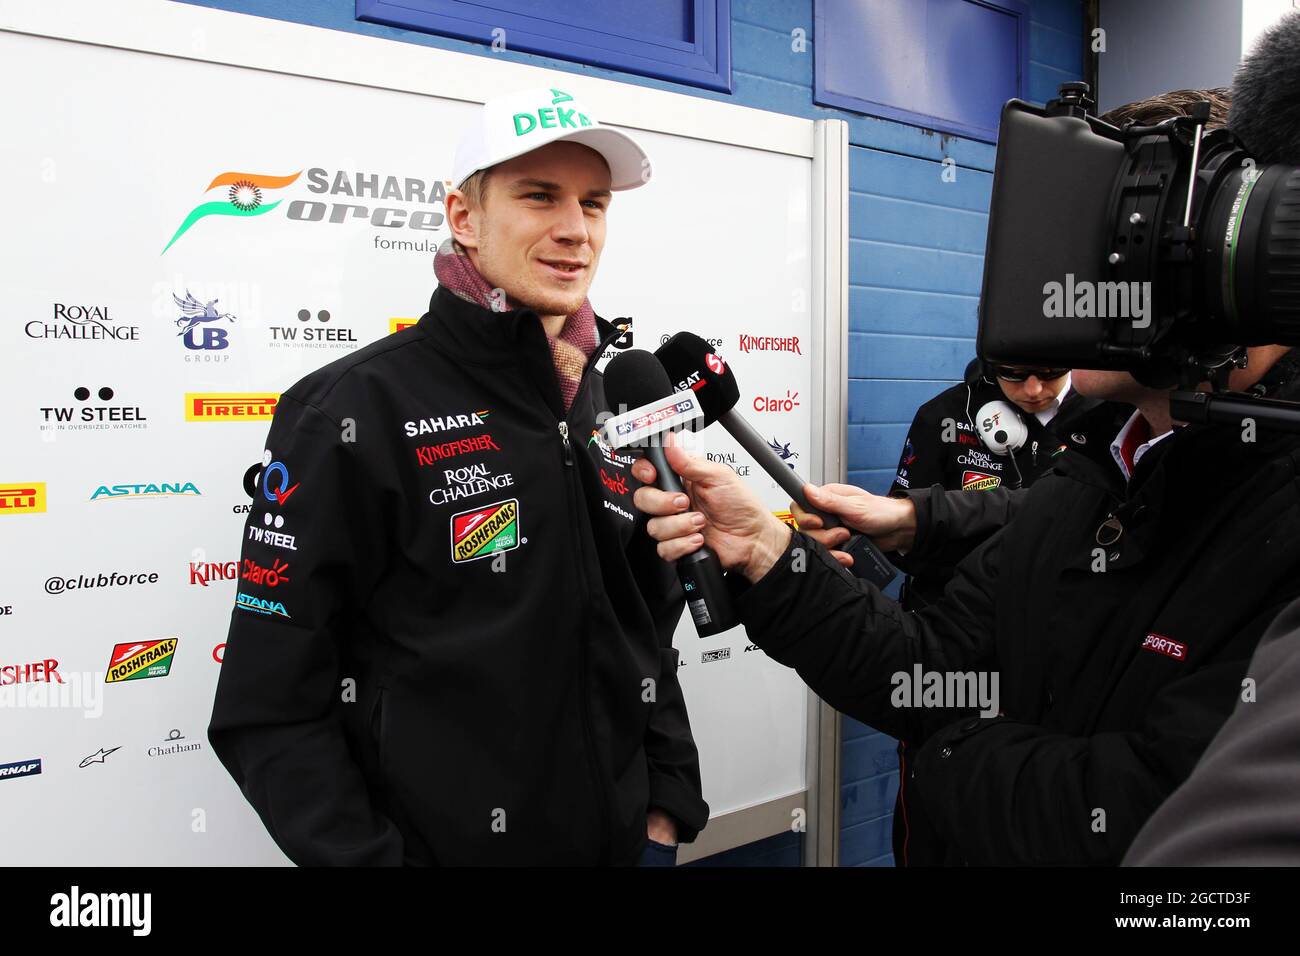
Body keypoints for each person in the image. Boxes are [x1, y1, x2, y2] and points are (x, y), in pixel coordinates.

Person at [208, 86, 708, 866]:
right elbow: (269, 706)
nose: (575, 230)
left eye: (594, 204)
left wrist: (667, 806)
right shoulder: (351, 409)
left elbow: (643, 632)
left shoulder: (605, 401)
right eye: (540, 196)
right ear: (464, 218)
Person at [888, 358, 1104, 609]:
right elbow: (901, 541)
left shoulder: (1108, 417)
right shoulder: (945, 414)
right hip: (954, 610)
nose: (1033, 389)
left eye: (1050, 372)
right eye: (1013, 373)